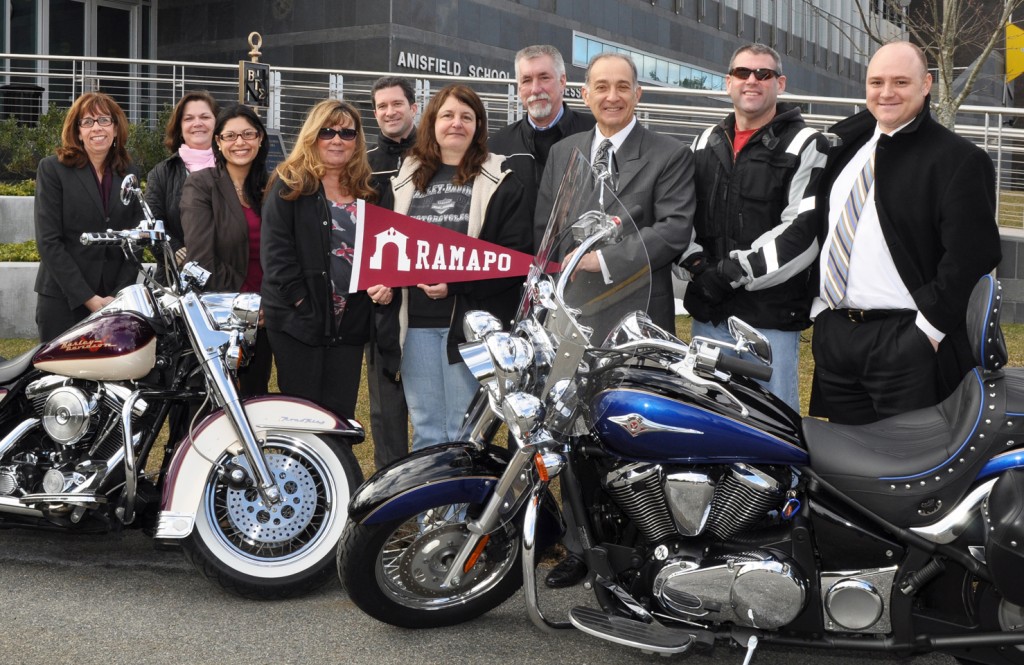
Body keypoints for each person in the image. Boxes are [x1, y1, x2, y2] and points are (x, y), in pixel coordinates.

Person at [535, 52, 696, 588]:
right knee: (576, 435)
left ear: (638, 94)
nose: (611, 96)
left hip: (636, 322)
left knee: (633, 433)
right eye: (601, 87)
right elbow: (547, 228)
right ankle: (581, 549)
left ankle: (641, 549)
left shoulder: (669, 155)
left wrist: (604, 259)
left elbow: (673, 229)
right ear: (584, 94)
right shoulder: (564, 153)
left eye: (622, 86)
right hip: (574, 319)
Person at [801, 41, 1001, 425]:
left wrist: (928, 331)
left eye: (900, 82)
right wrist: (820, 311)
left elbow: (971, 256)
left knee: (911, 472)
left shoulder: (958, 159)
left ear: (926, 85)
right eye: (876, 81)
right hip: (837, 337)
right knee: (845, 468)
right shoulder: (845, 147)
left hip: (908, 341)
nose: (886, 92)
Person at [678, 44, 829, 412]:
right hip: (710, 314)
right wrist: (697, 266)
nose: (752, 81)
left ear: (780, 83)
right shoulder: (703, 142)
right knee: (708, 423)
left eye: (763, 74)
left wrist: (732, 272)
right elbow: (680, 214)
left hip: (769, 321)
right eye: (743, 73)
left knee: (771, 428)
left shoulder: (806, 144)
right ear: (728, 82)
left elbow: (802, 231)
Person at [380, 83, 531, 451]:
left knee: (465, 431)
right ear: (432, 122)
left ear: (479, 126)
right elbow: (383, 243)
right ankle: (432, 509)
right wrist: (380, 279)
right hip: (414, 324)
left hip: (469, 327)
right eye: (447, 115)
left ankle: (466, 511)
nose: (456, 124)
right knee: (428, 429)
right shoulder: (403, 181)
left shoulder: (502, 180)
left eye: (467, 116)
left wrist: (456, 284)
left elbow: (512, 258)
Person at [261, 99, 393, 421]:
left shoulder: (372, 191)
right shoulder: (289, 184)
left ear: (357, 141)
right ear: (312, 136)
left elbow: (385, 251)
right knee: (302, 416)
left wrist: (385, 284)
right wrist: (303, 303)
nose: (337, 139)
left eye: (347, 133)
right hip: (298, 321)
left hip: (349, 322)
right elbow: (276, 255)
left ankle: (337, 471)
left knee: (339, 415)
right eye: (328, 131)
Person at [33, 91, 142, 342]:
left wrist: (118, 296)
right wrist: (89, 299)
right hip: (64, 300)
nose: (97, 128)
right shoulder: (53, 169)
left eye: (104, 120)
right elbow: (49, 241)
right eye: (88, 122)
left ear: (115, 129)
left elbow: (135, 240)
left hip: (113, 299)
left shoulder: (129, 172)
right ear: (77, 131)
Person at [179, 104, 272, 396]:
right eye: (230, 136)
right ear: (218, 142)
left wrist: (269, 303)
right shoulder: (201, 185)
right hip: (222, 316)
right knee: (217, 405)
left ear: (260, 139)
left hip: (269, 315)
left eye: (248, 134)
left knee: (255, 398)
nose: (240, 142)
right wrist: (249, 308)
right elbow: (201, 257)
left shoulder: (273, 187)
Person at [489, 44, 595, 246]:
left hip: (580, 264)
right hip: (517, 268)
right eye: (526, 80)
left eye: (544, 77)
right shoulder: (497, 146)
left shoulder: (595, 134)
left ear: (562, 81)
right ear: (519, 88)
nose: (535, 89)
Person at [365, 76, 417, 470]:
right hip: (380, 297)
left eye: (396, 104)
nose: (389, 112)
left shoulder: (436, 157)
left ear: (414, 107)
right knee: (386, 411)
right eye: (381, 106)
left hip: (428, 294)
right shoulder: (365, 163)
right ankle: (390, 495)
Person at [145, 91, 219, 283]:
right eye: (189, 118)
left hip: (228, 280)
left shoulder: (234, 168)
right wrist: (177, 250)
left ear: (217, 123)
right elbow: (153, 223)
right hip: (176, 280)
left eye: (205, 117)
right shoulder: (161, 173)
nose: (197, 123)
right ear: (179, 126)